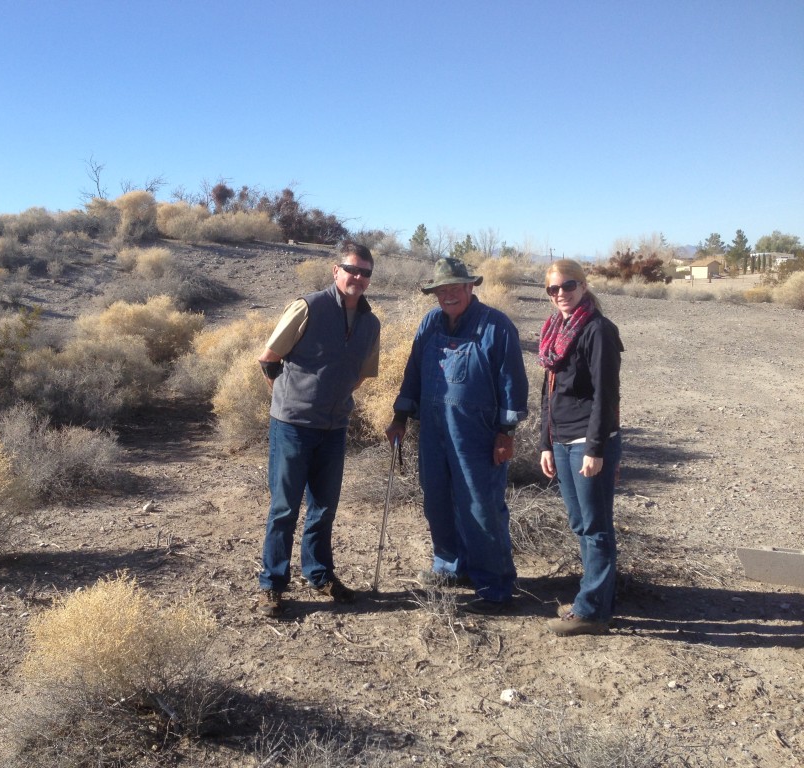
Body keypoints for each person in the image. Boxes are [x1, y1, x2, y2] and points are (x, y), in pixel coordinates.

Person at [385, 258, 528, 615]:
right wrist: (400, 416)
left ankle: (495, 586)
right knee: (437, 500)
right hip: (433, 430)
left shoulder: (496, 326)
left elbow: (512, 383)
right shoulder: (430, 323)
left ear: (470, 287)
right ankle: (450, 567)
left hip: (476, 435)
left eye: (454, 288)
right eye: (441, 290)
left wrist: (505, 432)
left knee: (481, 507)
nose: (448, 296)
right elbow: (414, 372)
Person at [256, 241, 381, 618]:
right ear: (335, 270)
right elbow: (269, 358)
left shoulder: (370, 323)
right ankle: (272, 585)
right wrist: (289, 400)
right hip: (292, 426)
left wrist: (335, 398)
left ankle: (319, 574)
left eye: (365, 272)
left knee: (324, 508)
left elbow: (362, 374)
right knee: (284, 509)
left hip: (334, 427)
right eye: (352, 269)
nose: (357, 277)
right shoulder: (308, 307)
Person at [538, 259, 624, 637]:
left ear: (584, 286)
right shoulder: (555, 330)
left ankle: (591, 610)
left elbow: (606, 397)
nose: (561, 294)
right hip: (560, 440)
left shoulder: (597, 331)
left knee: (596, 527)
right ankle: (596, 596)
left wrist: (596, 448)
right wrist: (544, 442)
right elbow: (549, 392)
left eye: (568, 286)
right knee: (580, 523)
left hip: (587, 443)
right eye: (553, 289)